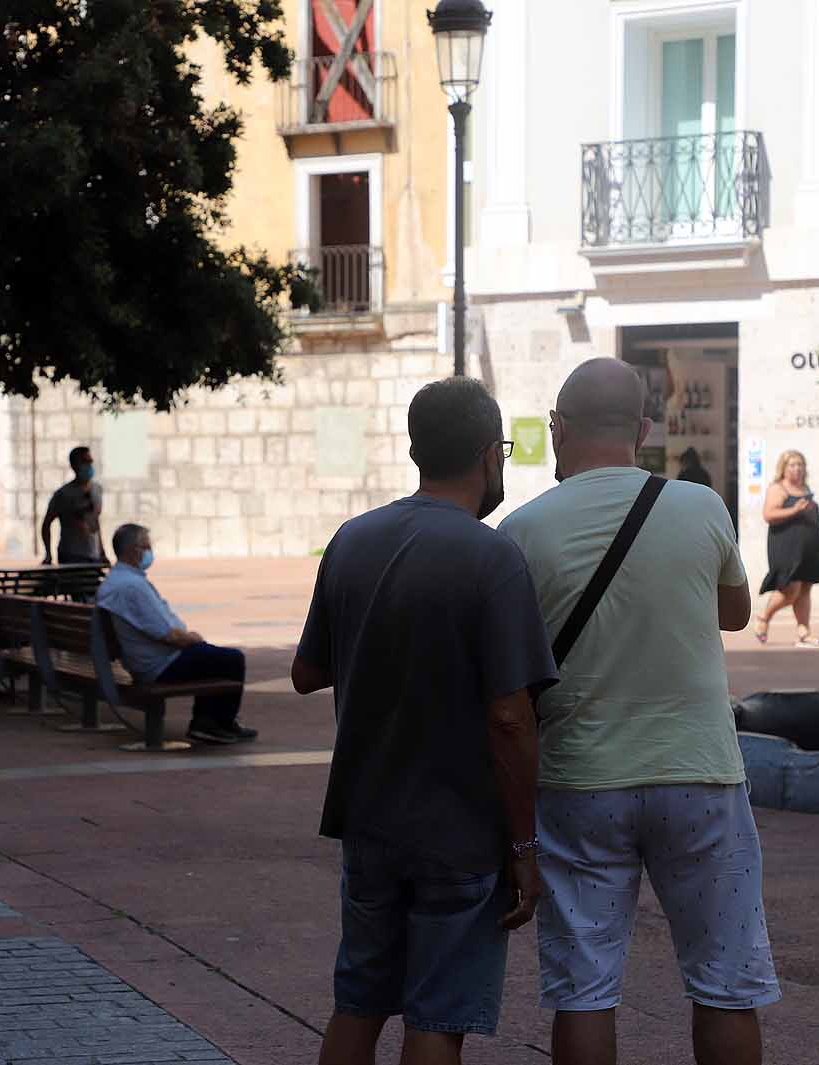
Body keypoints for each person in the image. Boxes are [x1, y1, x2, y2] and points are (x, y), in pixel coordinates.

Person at [500, 357, 779, 1065]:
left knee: (585, 989)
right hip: (701, 776)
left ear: (557, 429)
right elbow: (736, 612)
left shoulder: (521, 531)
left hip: (580, 780)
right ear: (645, 430)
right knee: (725, 984)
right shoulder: (701, 505)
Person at [291, 376, 556, 1065]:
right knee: (436, 1016)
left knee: (358, 1002)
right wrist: (525, 848)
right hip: (459, 829)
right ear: (487, 455)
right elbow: (509, 714)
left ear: (416, 451)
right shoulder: (492, 556)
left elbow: (305, 672)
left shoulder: (351, 539)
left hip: (367, 816)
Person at [95, 523, 256, 745]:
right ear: (133, 550)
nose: (150, 552)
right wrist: (193, 638)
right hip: (159, 664)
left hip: (145, 659)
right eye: (146, 546)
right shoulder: (131, 586)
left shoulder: (117, 580)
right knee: (232, 660)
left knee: (208, 655)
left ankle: (206, 721)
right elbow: (168, 635)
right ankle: (218, 724)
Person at [753, 449, 819, 647]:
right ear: (784, 468)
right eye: (792, 465)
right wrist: (794, 510)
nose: (797, 469)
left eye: (800, 465)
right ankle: (763, 617)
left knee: (805, 587)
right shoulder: (777, 488)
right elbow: (769, 515)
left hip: (809, 546)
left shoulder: (804, 488)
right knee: (791, 588)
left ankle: (804, 631)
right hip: (786, 546)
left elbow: (806, 513)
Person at [41, 446, 106, 565]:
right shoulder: (63, 494)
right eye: (85, 462)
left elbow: (95, 521)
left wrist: (102, 552)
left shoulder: (97, 490)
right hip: (71, 555)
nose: (89, 465)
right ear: (74, 465)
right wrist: (48, 554)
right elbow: (46, 524)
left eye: (90, 461)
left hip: (93, 555)